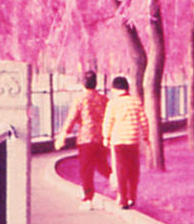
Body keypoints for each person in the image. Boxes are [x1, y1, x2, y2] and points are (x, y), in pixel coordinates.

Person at [58, 71, 110, 203]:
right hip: (102, 137)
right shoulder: (104, 99)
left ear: (82, 84)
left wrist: (62, 135)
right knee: (102, 165)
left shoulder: (80, 99)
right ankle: (117, 181)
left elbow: (72, 118)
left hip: (86, 139)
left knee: (86, 170)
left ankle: (88, 197)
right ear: (96, 83)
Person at [102, 75, 150, 209]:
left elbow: (108, 121)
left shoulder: (113, 103)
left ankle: (123, 199)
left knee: (121, 170)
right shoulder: (136, 101)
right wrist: (146, 137)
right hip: (133, 140)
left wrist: (106, 137)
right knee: (133, 170)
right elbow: (144, 121)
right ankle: (132, 197)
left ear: (115, 90)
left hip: (119, 141)